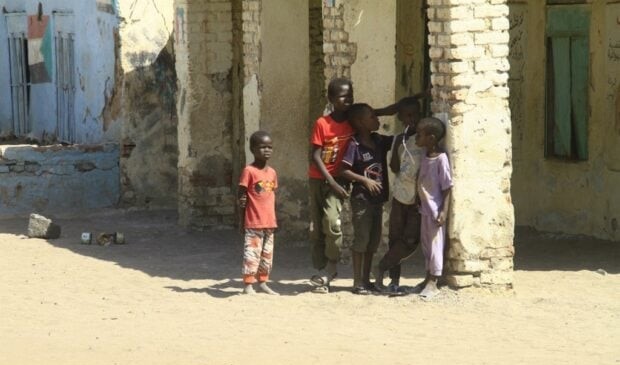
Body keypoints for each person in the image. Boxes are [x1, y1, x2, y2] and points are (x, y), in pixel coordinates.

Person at [308, 78, 398, 294]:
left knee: (332, 222)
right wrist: (330, 181)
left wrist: (417, 99)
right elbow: (315, 155)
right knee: (318, 228)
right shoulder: (323, 123)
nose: (347, 100)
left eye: (350, 96)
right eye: (341, 96)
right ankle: (322, 270)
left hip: (340, 180)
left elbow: (377, 112)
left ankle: (330, 268)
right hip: (319, 178)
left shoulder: (354, 118)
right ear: (330, 99)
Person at [373, 96, 424, 293]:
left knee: (410, 240)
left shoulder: (424, 137)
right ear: (401, 118)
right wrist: (396, 146)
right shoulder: (399, 139)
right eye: (406, 116)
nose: (410, 119)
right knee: (396, 238)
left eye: (414, 115)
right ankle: (393, 280)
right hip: (400, 196)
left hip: (418, 199)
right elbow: (394, 167)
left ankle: (382, 266)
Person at [340, 103, 393, 295]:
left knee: (373, 241)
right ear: (360, 123)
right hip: (362, 199)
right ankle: (357, 281)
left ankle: (366, 279)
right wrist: (364, 180)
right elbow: (344, 170)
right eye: (372, 117)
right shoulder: (354, 145)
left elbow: (400, 140)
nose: (377, 119)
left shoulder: (378, 140)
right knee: (361, 240)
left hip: (378, 200)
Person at [413, 117, 453, 299]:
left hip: (436, 210)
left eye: (419, 135)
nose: (416, 138)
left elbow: (446, 187)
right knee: (427, 245)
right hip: (425, 209)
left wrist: (444, 211)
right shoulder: (425, 156)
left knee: (436, 245)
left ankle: (434, 280)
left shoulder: (441, 159)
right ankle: (427, 276)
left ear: (431, 137)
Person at [238, 131, 279, 295]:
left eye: (270, 147)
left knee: (267, 255)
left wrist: (276, 219)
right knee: (252, 254)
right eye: (262, 147)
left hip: (269, 222)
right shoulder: (249, 171)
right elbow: (241, 196)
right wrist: (241, 221)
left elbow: (273, 196)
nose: (267, 150)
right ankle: (248, 284)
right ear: (253, 149)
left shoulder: (272, 173)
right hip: (253, 221)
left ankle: (263, 282)